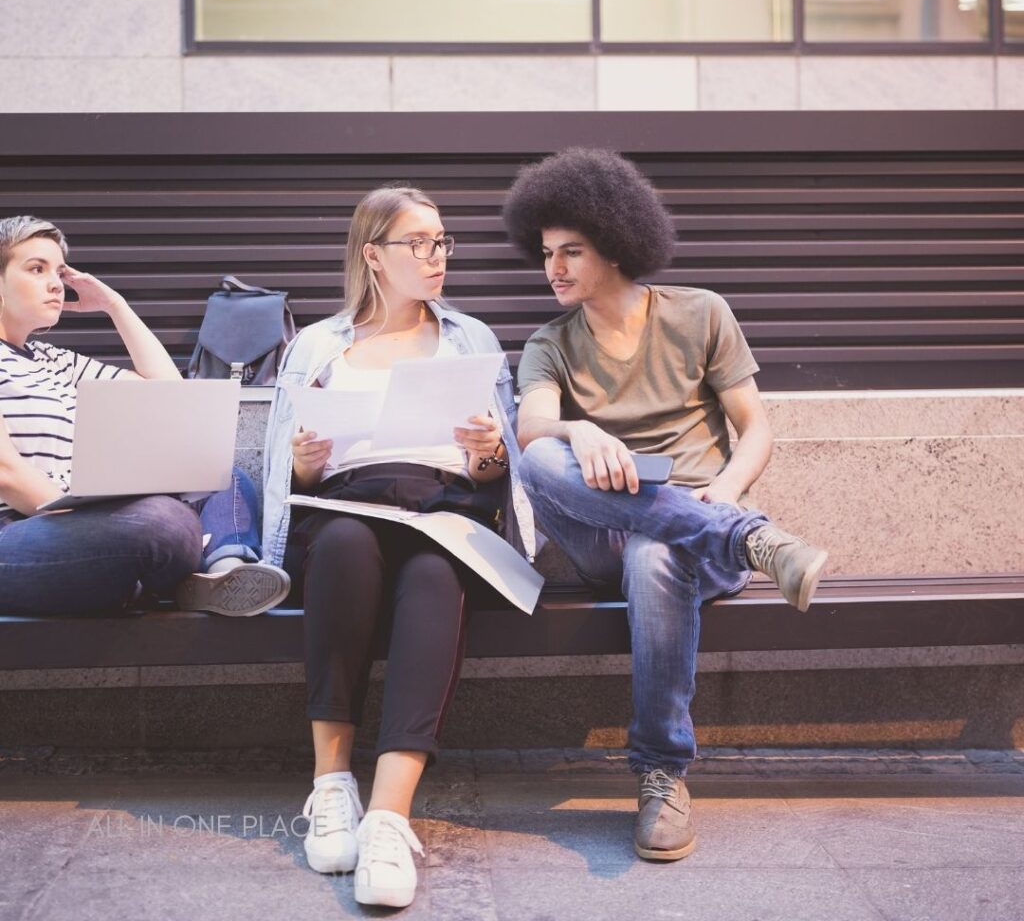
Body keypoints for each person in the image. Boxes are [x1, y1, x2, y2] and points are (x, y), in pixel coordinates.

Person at [503, 148, 829, 862]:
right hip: (607, 540)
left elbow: (756, 429)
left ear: (616, 242)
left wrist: (726, 491)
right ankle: (750, 540)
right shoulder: (549, 343)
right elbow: (531, 429)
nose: (552, 267)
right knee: (539, 459)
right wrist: (577, 428)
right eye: (546, 252)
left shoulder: (700, 314)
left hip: (693, 530)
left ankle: (662, 775)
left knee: (657, 549)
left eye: (571, 251)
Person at [262, 185, 534, 907]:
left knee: (436, 572)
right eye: (418, 243)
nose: (436, 256)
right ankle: (330, 786)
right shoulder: (321, 344)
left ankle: (387, 816)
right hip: (345, 503)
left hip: (443, 510)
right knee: (347, 543)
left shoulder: (470, 337)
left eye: (442, 240)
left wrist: (486, 454)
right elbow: (282, 470)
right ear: (373, 256)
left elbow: (498, 469)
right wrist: (306, 462)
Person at [0, 215, 289, 617]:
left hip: (77, 524)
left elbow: (168, 391)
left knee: (219, 474)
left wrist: (114, 306)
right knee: (159, 523)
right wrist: (95, 518)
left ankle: (223, 575)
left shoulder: (53, 359)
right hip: (17, 532)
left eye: (59, 271)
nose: (56, 283)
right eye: (36, 269)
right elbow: (6, 472)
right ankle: (164, 574)